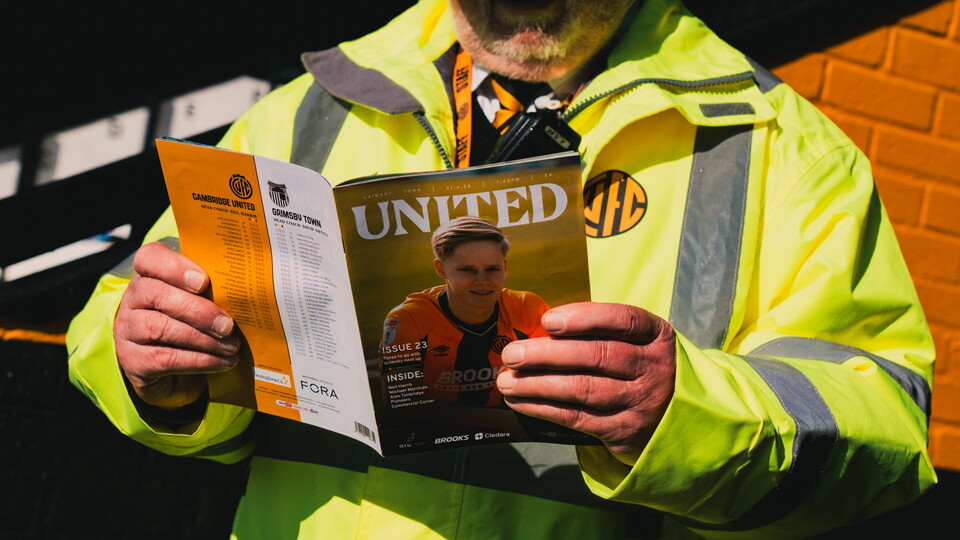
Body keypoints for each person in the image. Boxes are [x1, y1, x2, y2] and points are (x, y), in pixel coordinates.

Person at [66, 0, 936, 538]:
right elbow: (118, 320)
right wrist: (147, 363)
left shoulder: (778, 145)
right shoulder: (301, 115)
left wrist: (683, 415)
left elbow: (884, 430)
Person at [380, 216, 549, 409]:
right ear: (441, 269)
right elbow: (402, 405)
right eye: (468, 270)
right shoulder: (409, 318)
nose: (482, 281)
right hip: (436, 430)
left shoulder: (527, 306)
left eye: (492, 269)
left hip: (511, 420)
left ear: (505, 267)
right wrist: (503, 423)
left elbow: (551, 382)